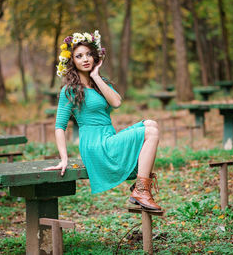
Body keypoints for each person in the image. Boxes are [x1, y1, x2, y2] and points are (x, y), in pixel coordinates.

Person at [43, 31, 161, 210]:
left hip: (108, 137)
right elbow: (60, 126)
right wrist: (64, 158)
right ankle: (142, 191)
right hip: (95, 144)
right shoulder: (70, 90)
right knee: (150, 132)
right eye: (79, 56)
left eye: (89, 54)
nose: (85, 59)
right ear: (72, 61)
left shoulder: (100, 83)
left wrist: (96, 77)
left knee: (151, 124)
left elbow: (117, 102)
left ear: (95, 57)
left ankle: (140, 189)